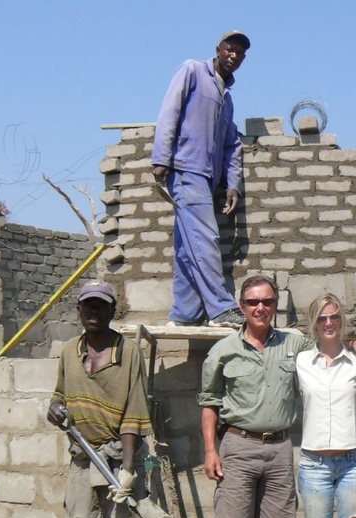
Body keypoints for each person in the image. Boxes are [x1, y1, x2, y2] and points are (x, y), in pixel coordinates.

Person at [198, 275, 356, 518]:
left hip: (279, 449)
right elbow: (209, 403)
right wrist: (209, 451)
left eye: (267, 301)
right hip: (238, 447)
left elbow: (327, 339)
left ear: (275, 305)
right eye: (253, 302)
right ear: (242, 307)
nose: (260, 308)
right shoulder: (223, 350)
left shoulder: (296, 344)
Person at [47, 280, 153, 518]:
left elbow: (134, 414)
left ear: (112, 311)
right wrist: (55, 408)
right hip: (83, 461)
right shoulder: (70, 351)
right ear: (78, 311)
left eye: (101, 306)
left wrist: (128, 473)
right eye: (88, 306)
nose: (94, 312)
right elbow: (59, 395)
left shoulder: (128, 352)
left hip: (119, 463)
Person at [151, 30, 251, 329]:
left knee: (186, 247)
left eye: (240, 54)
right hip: (185, 169)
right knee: (205, 238)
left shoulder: (226, 98)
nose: (234, 56)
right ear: (218, 50)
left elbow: (232, 145)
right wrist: (160, 158)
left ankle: (185, 314)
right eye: (230, 49)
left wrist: (233, 183)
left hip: (207, 179)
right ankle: (221, 308)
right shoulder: (193, 70)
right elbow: (170, 111)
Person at [296, 293, 356, 518]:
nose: (328, 323)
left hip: (353, 462)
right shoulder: (301, 361)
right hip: (314, 464)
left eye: (334, 317)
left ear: (341, 320)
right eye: (322, 318)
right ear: (314, 323)